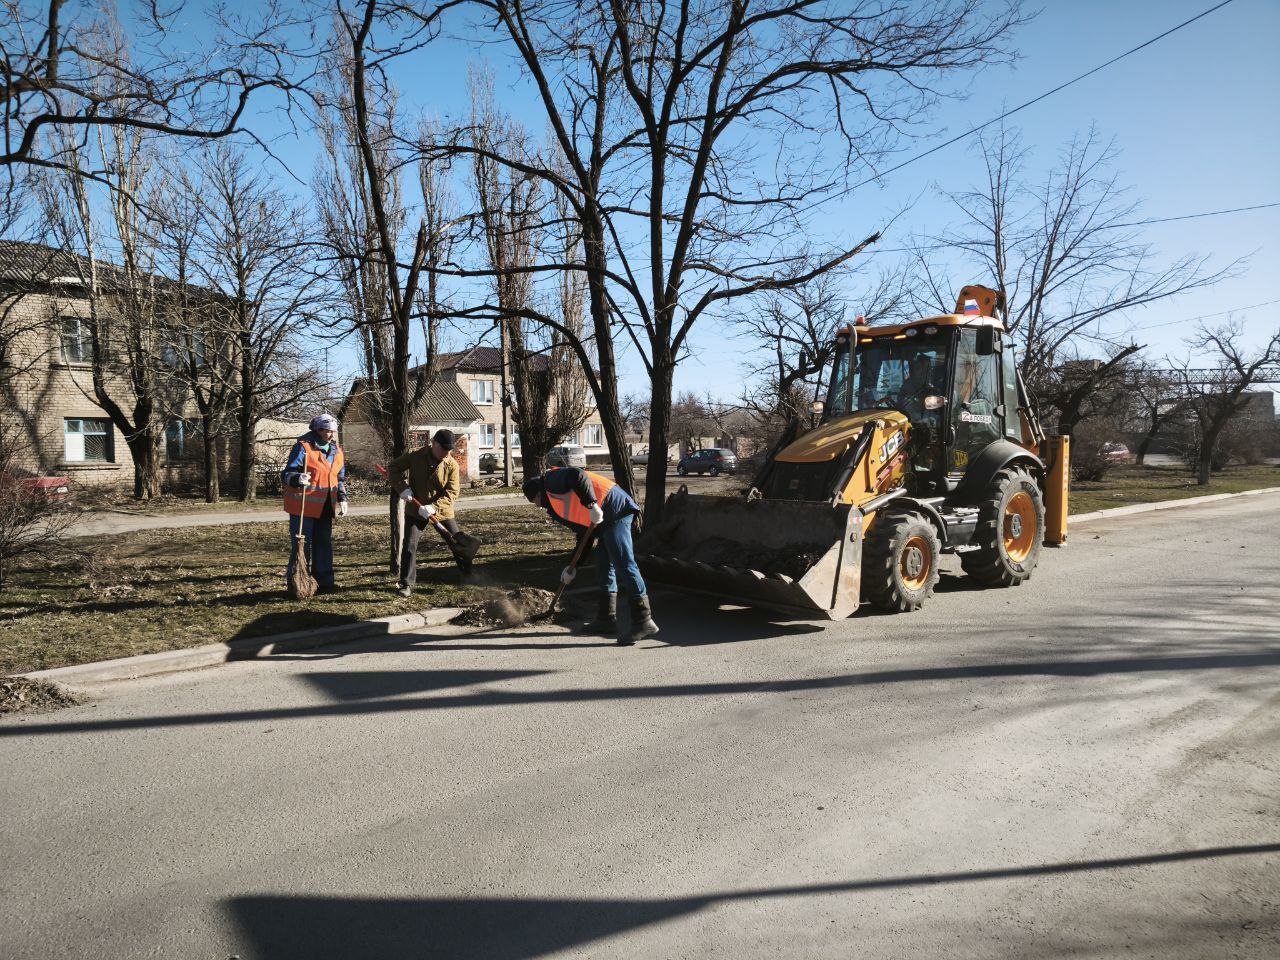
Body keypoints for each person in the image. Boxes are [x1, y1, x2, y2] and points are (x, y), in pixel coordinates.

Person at [522, 465, 658, 646]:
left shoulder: (551, 481)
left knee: (624, 564)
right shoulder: (555, 505)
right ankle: (606, 619)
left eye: (535, 501)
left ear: (538, 492)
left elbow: (576, 474)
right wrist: (573, 567)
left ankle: (644, 621)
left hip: (615, 509)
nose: (538, 506)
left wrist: (591, 504)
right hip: (603, 521)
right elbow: (583, 534)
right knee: (603, 565)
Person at [386, 429, 471, 596]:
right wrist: (402, 489)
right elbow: (393, 468)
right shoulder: (415, 456)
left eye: (449, 450)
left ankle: (469, 577)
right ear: (433, 443)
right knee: (409, 545)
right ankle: (406, 584)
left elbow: (452, 493)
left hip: (442, 511)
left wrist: (434, 507)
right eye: (443, 449)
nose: (446, 453)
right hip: (416, 510)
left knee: (458, 544)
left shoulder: (451, 464)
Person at [282, 413, 349, 594]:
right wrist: (296, 478)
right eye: (327, 431)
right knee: (302, 546)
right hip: (303, 507)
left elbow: (339, 478)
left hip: (326, 507)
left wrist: (342, 498)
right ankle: (297, 583)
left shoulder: (337, 451)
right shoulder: (303, 447)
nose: (331, 435)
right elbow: (287, 473)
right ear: (318, 430)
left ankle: (324, 582)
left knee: (324, 543)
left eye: (333, 431)